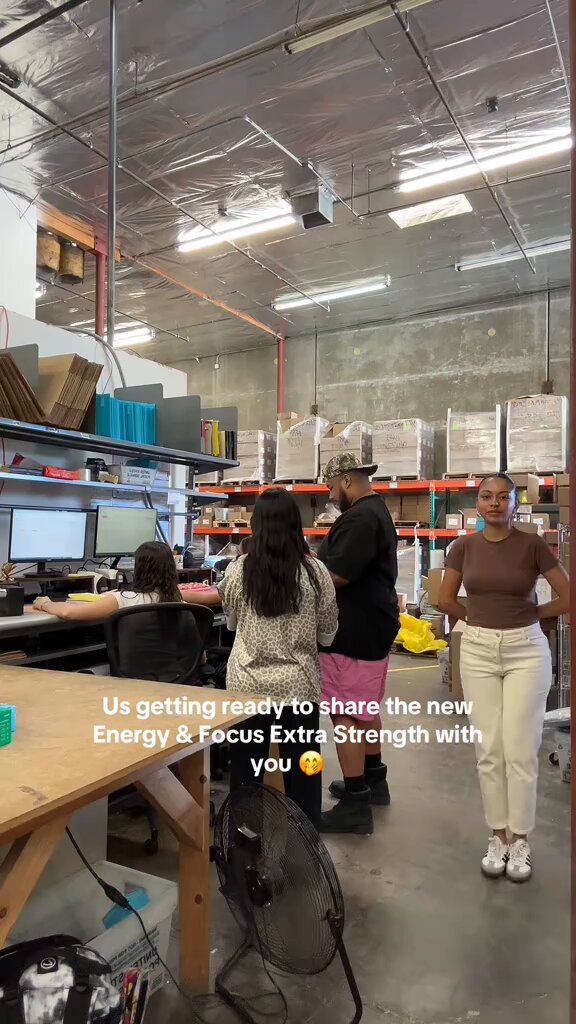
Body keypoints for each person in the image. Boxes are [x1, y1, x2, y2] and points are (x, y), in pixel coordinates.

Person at [438, 472, 569, 882]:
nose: (494, 503)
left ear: (515, 504)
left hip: (525, 650)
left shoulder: (532, 545)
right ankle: (498, 836)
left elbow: (568, 595)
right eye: (486, 496)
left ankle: (521, 839)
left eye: (503, 497)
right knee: (489, 749)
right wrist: (477, 619)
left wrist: (533, 615)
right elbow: (444, 598)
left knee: (521, 748)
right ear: (478, 503)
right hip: (477, 650)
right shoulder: (463, 547)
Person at [190, 488, 338, 827]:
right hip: (298, 686)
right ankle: (306, 840)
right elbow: (328, 632)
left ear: (255, 525)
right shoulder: (316, 572)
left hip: (248, 685)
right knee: (304, 770)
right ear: (295, 524)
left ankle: (243, 841)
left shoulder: (239, 570)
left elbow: (231, 623)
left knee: (246, 769)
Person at [317, 453, 400, 836]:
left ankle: (355, 803)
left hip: (353, 629)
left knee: (344, 713)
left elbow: (337, 575)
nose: (330, 494)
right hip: (374, 624)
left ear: (347, 481)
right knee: (365, 707)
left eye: (331, 487)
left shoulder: (359, 519)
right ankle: (372, 780)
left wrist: (301, 572)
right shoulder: (375, 511)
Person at [33, 540, 185, 620]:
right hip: (177, 669)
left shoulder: (124, 599)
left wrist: (45, 604)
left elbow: (68, 612)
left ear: (139, 568)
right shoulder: (180, 603)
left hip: (135, 669)